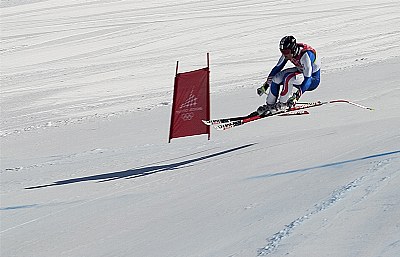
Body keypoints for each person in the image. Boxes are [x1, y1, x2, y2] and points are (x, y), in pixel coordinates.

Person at [256, 35, 321, 115]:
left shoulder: (306, 56)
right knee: (276, 78)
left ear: (293, 50)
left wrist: (296, 96)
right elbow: (277, 68)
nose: (284, 55)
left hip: (312, 80)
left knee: (288, 78)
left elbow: (308, 79)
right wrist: (265, 86)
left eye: (286, 52)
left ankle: (282, 105)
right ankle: (270, 104)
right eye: (282, 52)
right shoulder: (288, 52)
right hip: (301, 71)